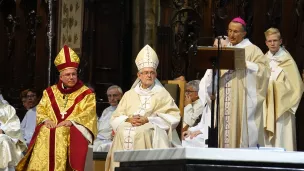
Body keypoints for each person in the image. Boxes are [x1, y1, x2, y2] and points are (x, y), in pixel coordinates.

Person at [16, 45, 97, 171]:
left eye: (74, 74)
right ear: (61, 77)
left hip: (72, 128)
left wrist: (71, 121)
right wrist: (46, 120)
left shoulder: (87, 94)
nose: (71, 77)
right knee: (45, 130)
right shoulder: (49, 92)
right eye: (68, 74)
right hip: (51, 126)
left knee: (61, 131)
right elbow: (41, 109)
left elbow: (88, 113)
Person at [105, 44, 180, 171]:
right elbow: (116, 117)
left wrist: (149, 120)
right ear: (139, 75)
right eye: (145, 73)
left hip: (152, 129)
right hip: (129, 126)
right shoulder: (129, 94)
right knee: (123, 130)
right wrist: (128, 120)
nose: (149, 76)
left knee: (143, 132)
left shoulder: (162, 93)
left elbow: (173, 117)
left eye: (152, 73)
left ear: (155, 75)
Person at [205, 17, 270, 148]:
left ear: (244, 33)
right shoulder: (223, 50)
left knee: (240, 130)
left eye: (235, 31)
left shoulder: (253, 50)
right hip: (224, 97)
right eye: (229, 31)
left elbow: (264, 72)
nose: (231, 34)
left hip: (242, 99)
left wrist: (247, 64)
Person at [263, 28, 304, 151]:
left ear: (280, 41)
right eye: (269, 41)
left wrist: (278, 87)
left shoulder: (287, 60)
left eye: (275, 40)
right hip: (267, 105)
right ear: (266, 43)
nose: (272, 43)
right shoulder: (263, 59)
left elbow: (297, 85)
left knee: (282, 136)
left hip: (283, 107)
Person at [182, 70, 212, 148]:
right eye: (186, 91)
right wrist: (190, 131)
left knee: (188, 140)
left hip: (207, 134)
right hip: (199, 132)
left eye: (189, 91)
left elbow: (191, 122)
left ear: (197, 93)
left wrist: (188, 105)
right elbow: (201, 124)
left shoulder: (200, 104)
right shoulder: (206, 105)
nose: (186, 94)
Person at [93, 85, 123, 152]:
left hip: (110, 140)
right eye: (109, 96)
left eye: (115, 95)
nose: (112, 98)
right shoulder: (106, 110)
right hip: (99, 138)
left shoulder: (123, 109)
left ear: (121, 96)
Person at [0, 101, 27, 171]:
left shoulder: (7, 109)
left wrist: (2, 130)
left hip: (3, 136)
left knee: (3, 140)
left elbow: (13, 126)